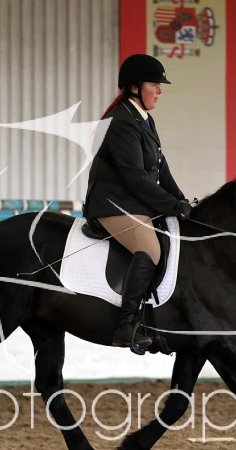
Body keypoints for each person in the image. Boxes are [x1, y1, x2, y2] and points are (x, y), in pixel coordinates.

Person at [83, 53, 192, 351]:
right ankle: (127, 325)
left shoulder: (144, 119)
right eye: (154, 85)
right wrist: (171, 205)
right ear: (134, 87)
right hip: (112, 205)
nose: (159, 91)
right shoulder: (121, 122)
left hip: (133, 203)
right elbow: (135, 177)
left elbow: (160, 168)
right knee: (150, 249)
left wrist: (180, 200)